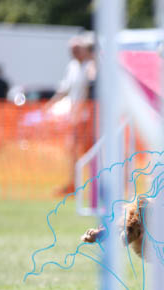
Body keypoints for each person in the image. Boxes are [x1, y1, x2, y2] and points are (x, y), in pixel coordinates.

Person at [47, 36, 92, 195]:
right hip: (74, 117)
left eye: (77, 49)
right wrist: (50, 104)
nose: (74, 53)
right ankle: (73, 184)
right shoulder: (72, 66)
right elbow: (64, 89)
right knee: (72, 150)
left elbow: (89, 91)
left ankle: (94, 185)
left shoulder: (91, 66)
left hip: (88, 117)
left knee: (88, 152)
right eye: (72, 50)